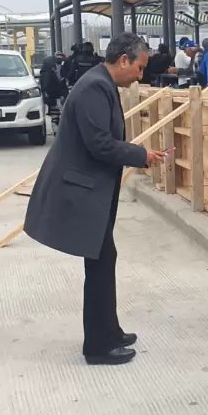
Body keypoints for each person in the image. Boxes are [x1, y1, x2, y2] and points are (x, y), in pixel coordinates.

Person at [23, 33, 168, 366]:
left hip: (93, 189)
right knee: (100, 263)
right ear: (123, 61)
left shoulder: (103, 84)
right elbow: (100, 144)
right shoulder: (94, 87)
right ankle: (98, 346)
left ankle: (110, 330)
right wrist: (141, 154)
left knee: (105, 259)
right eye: (139, 67)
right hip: (82, 189)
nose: (141, 76)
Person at [39, 54, 68, 134]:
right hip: (57, 95)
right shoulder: (60, 68)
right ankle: (58, 131)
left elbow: (44, 85)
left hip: (52, 95)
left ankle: (56, 131)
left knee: (55, 114)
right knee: (59, 113)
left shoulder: (45, 72)